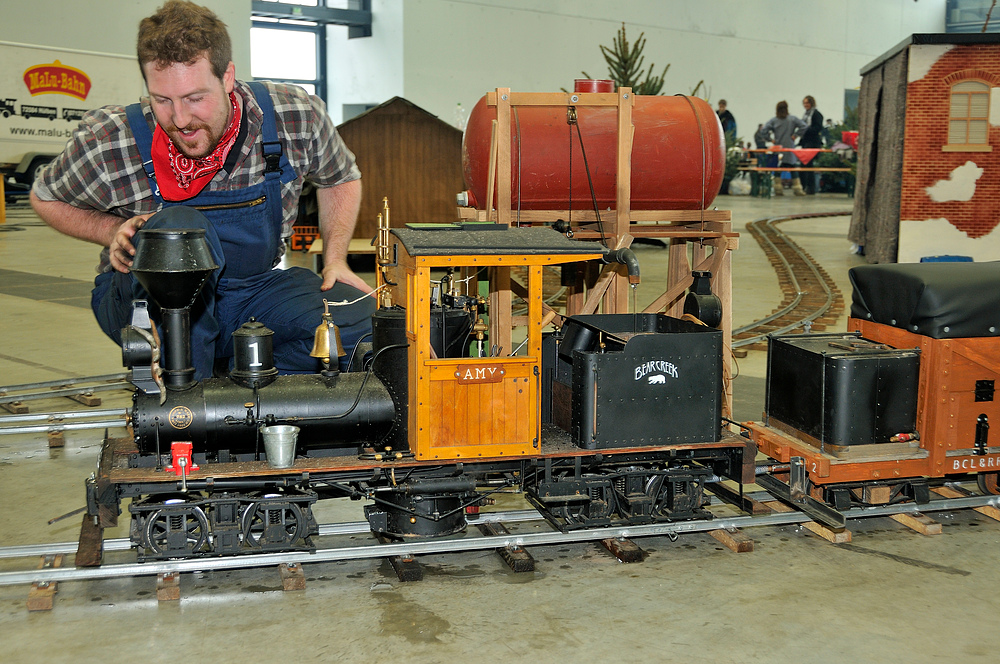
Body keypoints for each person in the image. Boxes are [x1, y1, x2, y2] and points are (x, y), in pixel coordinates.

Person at [30, 0, 374, 379]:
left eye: (195, 98)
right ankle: (188, 401)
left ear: (227, 78)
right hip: (148, 296)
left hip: (252, 291)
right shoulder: (112, 139)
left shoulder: (292, 114)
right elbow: (45, 197)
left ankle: (247, 396)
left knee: (363, 322)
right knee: (177, 227)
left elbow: (340, 177)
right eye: (163, 99)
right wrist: (111, 230)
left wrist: (336, 259)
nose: (180, 119)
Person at [760, 100, 806, 196]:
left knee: (778, 168)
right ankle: (798, 189)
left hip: (778, 147)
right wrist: (795, 135)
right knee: (793, 168)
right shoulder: (792, 119)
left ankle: (778, 189)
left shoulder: (774, 120)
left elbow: (763, 130)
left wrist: (770, 139)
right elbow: (804, 126)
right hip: (790, 147)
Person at [799, 95, 825, 194]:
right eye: (804, 103)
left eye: (807, 103)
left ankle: (810, 187)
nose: (805, 105)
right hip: (805, 142)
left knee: (809, 165)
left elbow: (818, 128)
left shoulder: (817, 115)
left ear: (811, 103)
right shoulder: (805, 115)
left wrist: (806, 130)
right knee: (804, 165)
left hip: (812, 143)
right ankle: (804, 185)